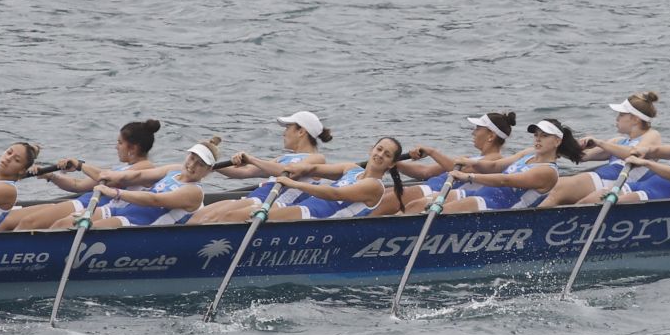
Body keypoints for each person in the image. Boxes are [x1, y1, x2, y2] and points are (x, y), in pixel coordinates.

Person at [0, 118, 162, 232]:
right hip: (84, 202)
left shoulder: (146, 168)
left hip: (93, 208)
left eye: (119, 143)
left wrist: (80, 165)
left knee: (31, 223)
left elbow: (105, 176)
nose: (116, 147)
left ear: (132, 148)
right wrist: (51, 176)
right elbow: (77, 185)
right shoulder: (124, 168)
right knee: (19, 220)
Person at [192, 110, 333, 223]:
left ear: (301, 132)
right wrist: (208, 162)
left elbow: (290, 172)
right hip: (257, 197)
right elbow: (245, 172)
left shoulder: (316, 158)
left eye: (288, 128)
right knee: (200, 216)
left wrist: (252, 159)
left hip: (273, 204)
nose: (284, 133)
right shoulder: (283, 158)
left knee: (225, 216)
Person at [540, 91, 663, 207]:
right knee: (552, 188)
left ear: (635, 119)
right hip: (602, 178)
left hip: (619, 184)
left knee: (560, 189)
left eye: (621, 114)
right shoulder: (618, 141)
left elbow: (634, 153)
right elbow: (582, 156)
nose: (617, 118)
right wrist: (556, 144)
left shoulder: (652, 135)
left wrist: (600, 143)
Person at [444, 119, 587, 214]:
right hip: (482, 195)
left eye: (544, 136)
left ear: (557, 141)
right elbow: (495, 165)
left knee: (442, 211)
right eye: (536, 135)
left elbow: (505, 180)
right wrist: (472, 162)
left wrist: (469, 177)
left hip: (499, 210)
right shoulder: (529, 153)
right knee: (426, 203)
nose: (537, 138)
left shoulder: (548, 171)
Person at [84, 136, 225, 228]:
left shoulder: (194, 192)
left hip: (139, 225)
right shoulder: (175, 169)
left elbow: (155, 200)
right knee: (65, 223)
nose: (192, 165)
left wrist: (115, 192)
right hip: (123, 210)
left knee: (90, 229)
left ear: (209, 170)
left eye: (200, 164)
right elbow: (139, 174)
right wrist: (113, 175)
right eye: (192, 158)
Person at [394, 111, 518, 214]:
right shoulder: (469, 158)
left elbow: (460, 170)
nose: (473, 132)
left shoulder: (495, 161)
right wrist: (394, 164)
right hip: (437, 192)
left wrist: (432, 152)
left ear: (491, 136)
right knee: (394, 195)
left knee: (412, 206)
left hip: (448, 199)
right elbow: (425, 172)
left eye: (478, 128)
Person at [260, 137, 404, 222]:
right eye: (379, 149)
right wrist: (301, 168)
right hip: (304, 209)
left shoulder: (374, 186)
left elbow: (334, 194)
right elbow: (315, 169)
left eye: (387, 154)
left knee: (257, 217)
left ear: (391, 164)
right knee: (248, 212)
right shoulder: (351, 168)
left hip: (316, 220)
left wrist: (294, 183)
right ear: (371, 149)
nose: (380, 155)